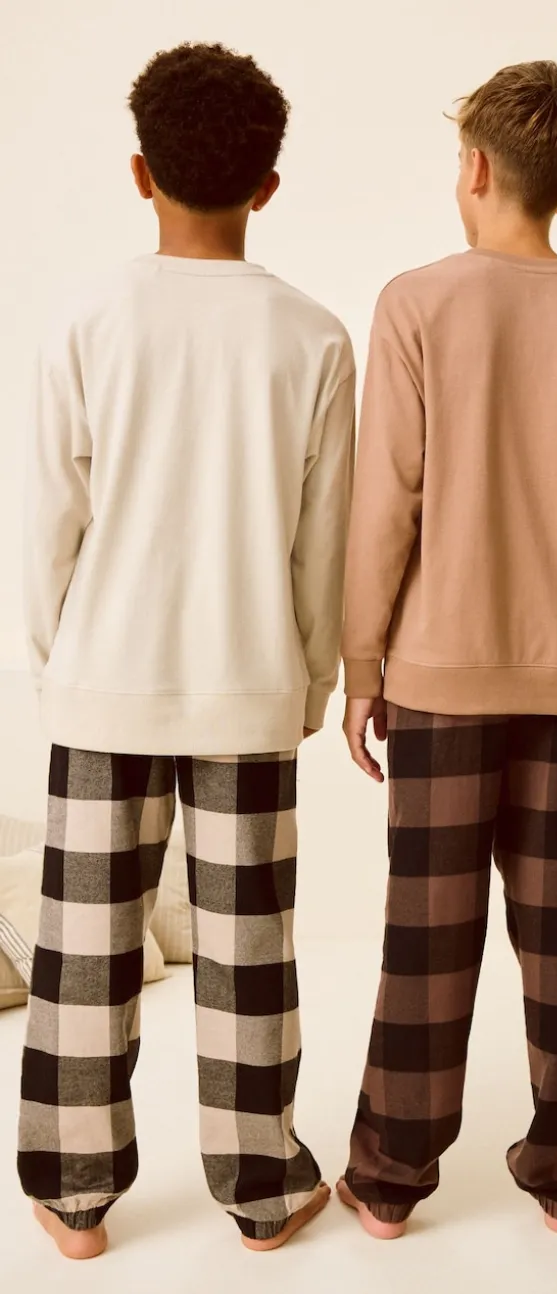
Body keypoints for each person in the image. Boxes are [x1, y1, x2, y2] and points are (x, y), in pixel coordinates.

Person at [19, 42, 355, 1256]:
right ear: (268, 185)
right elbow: (325, 544)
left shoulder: (90, 320)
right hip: (248, 683)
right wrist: (308, 680)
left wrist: (59, 663)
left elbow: (46, 522)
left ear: (138, 170)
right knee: (246, 950)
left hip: (104, 681)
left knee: (86, 952)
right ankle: (262, 1189)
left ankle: (73, 1196)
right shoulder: (313, 337)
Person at [337, 60, 557, 1238]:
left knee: (429, 937)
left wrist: (361, 662)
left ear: (474, 167)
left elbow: (388, 501)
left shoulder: (415, 302)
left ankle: (389, 1177)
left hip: (438, 679)